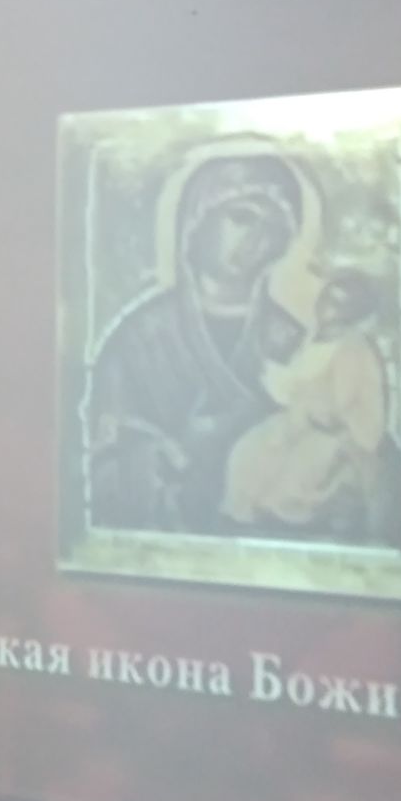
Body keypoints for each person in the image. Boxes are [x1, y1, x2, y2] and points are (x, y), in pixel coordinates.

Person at [84, 151, 310, 534]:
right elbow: (101, 455)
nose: (256, 239)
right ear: (197, 219)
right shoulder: (139, 339)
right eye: (241, 218)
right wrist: (160, 456)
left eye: (272, 229)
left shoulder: (292, 339)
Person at [223, 267, 401, 541]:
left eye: (342, 303)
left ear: (355, 312)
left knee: (295, 475)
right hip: (297, 423)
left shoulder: (353, 348)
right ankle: (242, 519)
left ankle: (280, 526)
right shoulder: (311, 338)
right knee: (248, 450)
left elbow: (340, 410)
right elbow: (294, 386)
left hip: (338, 436)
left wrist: (311, 411)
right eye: (329, 297)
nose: (330, 308)